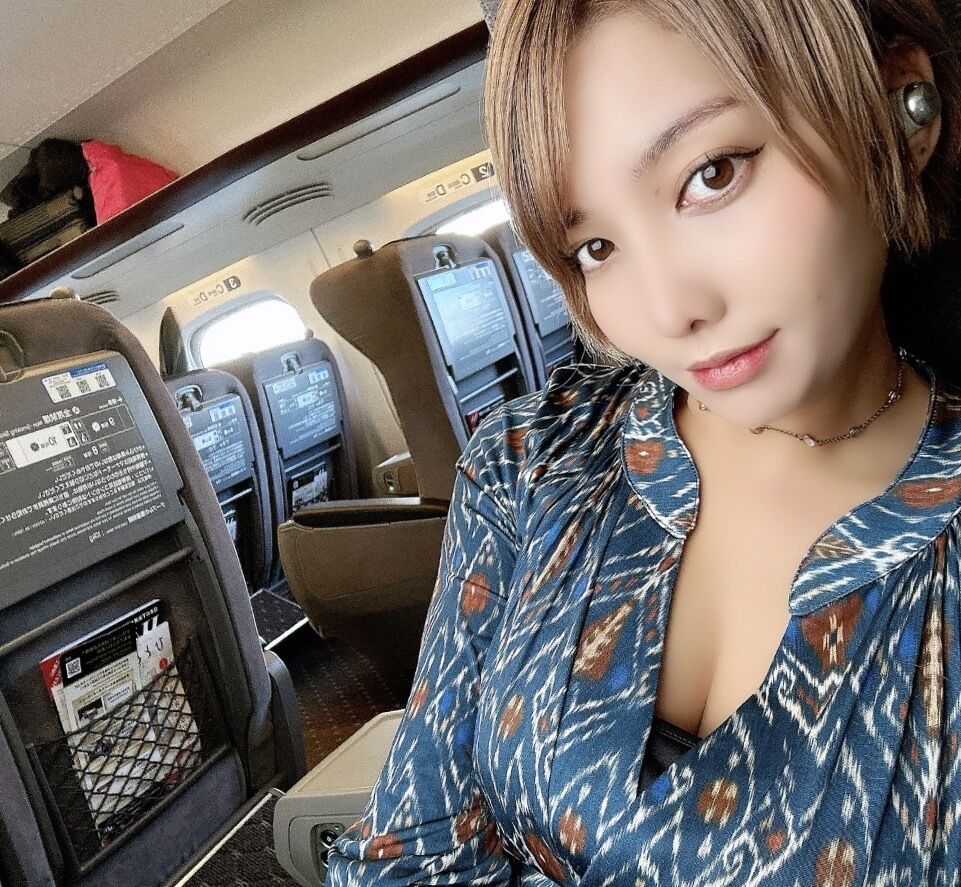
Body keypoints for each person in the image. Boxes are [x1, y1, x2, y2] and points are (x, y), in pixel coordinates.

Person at [324, 0, 961, 883]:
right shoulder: (532, 460)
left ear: (900, 104)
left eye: (710, 175)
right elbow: (408, 852)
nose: (668, 312)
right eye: (594, 246)